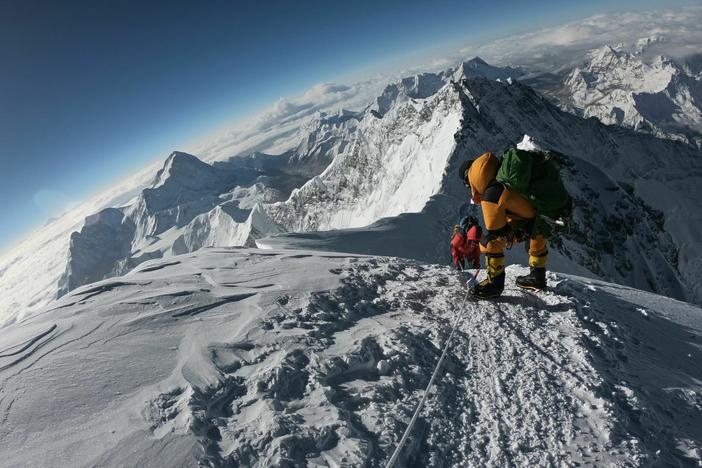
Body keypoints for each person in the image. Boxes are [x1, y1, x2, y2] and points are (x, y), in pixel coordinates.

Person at [458, 149, 570, 299]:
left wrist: (508, 231)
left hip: (527, 209)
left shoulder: (491, 194)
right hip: (548, 207)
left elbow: (496, 234)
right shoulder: (506, 178)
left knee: (490, 241)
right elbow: (516, 205)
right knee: (539, 228)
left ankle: (494, 285)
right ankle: (537, 276)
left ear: (469, 182)